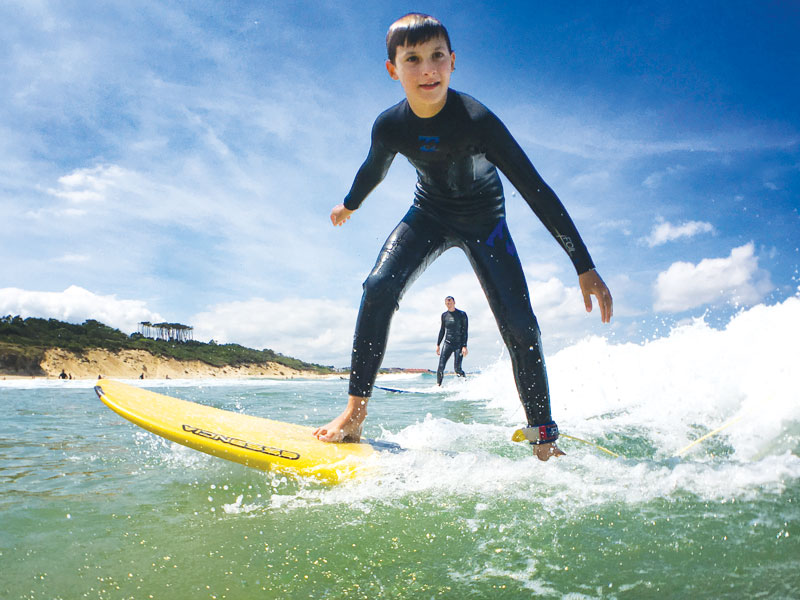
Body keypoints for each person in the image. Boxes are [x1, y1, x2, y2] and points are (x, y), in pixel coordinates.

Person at [313, 13, 613, 461]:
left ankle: (542, 437)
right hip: (429, 213)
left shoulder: (478, 121)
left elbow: (535, 188)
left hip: (485, 222)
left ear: (453, 62)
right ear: (393, 69)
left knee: (520, 325)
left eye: (437, 56)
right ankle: (355, 413)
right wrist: (350, 205)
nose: (427, 69)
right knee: (378, 287)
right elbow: (373, 169)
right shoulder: (390, 125)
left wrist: (583, 265)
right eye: (412, 59)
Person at [436, 296, 468, 384]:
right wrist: (438, 344)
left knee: (457, 369)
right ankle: (438, 386)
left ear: (454, 302)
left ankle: (465, 383)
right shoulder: (444, 315)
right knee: (441, 367)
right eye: (447, 303)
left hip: (459, 344)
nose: (448, 304)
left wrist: (464, 346)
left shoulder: (462, 314)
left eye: (450, 303)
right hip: (448, 343)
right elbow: (442, 330)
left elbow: (465, 331)